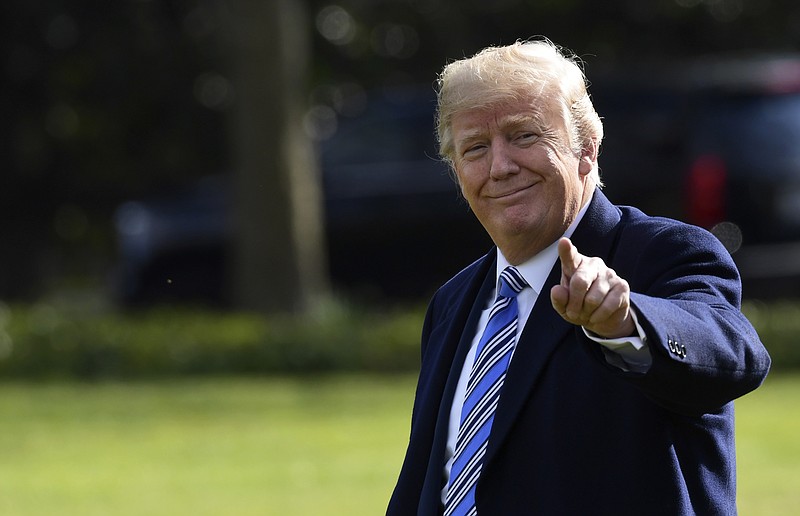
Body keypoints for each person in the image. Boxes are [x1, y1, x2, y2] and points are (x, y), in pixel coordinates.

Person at [386, 38, 771, 516]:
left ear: (586, 147)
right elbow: (427, 478)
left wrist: (626, 323)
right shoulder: (454, 301)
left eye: (524, 136)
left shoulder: (662, 254)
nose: (500, 167)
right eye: (475, 148)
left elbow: (733, 354)